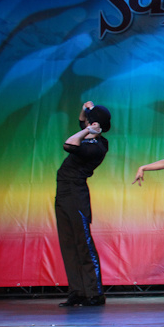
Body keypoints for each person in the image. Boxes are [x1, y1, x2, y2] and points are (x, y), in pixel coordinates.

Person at [55, 101, 111, 307]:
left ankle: (95, 293)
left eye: (89, 120)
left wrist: (88, 130)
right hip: (63, 192)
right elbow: (81, 119)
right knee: (68, 243)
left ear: (95, 124)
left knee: (83, 243)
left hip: (76, 194)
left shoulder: (98, 146)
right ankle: (77, 291)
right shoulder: (88, 136)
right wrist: (85, 108)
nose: (85, 121)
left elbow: (68, 145)